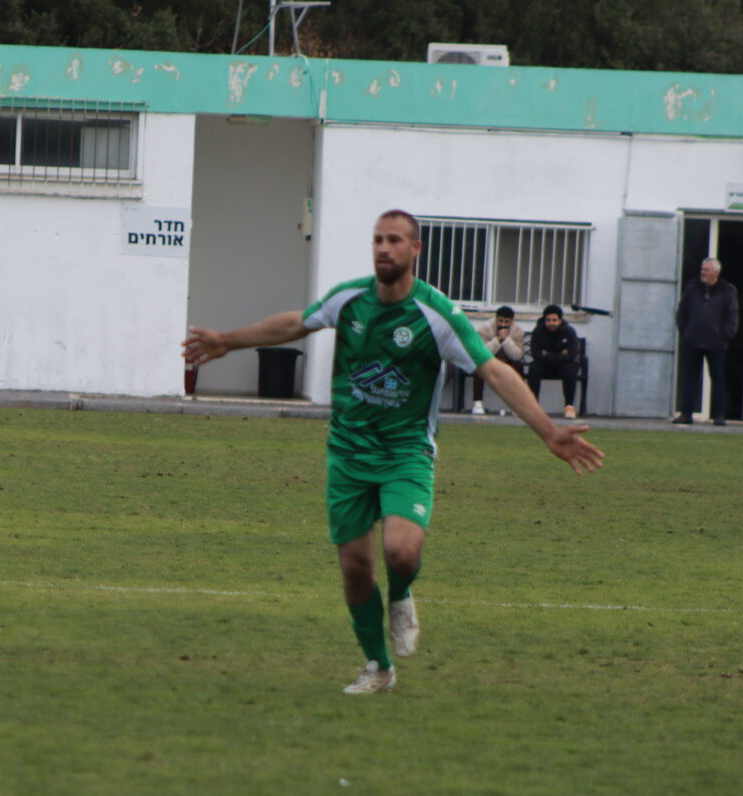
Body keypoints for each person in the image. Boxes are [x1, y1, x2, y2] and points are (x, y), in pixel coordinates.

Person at [182, 210, 604, 694]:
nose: (384, 248)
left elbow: (493, 370)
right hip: (347, 453)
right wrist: (226, 340)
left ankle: (402, 593)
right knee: (355, 567)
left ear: (415, 249)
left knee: (400, 552)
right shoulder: (350, 299)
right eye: (378, 239)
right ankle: (378, 667)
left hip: (406, 452)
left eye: (395, 240)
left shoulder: (436, 314)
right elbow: (297, 322)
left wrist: (548, 431)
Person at [673, 258, 739, 425]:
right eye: (702, 269)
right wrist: (685, 332)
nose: (702, 272)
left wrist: (724, 336)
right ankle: (686, 414)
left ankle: (719, 416)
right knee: (690, 378)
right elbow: (681, 312)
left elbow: (732, 316)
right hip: (692, 342)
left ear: (715, 273)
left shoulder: (727, 291)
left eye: (706, 270)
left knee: (718, 379)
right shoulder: (692, 288)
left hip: (716, 344)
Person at [527, 304, 581, 419]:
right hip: (545, 367)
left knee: (570, 368)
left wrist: (547, 354)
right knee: (534, 367)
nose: (551, 323)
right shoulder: (538, 332)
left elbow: (572, 355)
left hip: (562, 367)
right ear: (544, 320)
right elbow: (536, 355)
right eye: (548, 320)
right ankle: (533, 406)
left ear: (560, 320)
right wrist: (561, 354)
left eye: (554, 320)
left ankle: (569, 406)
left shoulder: (569, 332)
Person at [470, 305, 524, 415]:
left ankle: (517, 405)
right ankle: (477, 402)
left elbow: (517, 356)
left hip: (508, 361)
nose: (503, 325)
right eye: (500, 321)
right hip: (489, 360)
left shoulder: (518, 331)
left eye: (506, 322)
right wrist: (498, 340)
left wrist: (506, 340)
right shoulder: (485, 328)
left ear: (512, 322)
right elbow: (482, 353)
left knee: (519, 366)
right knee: (479, 366)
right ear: (496, 319)